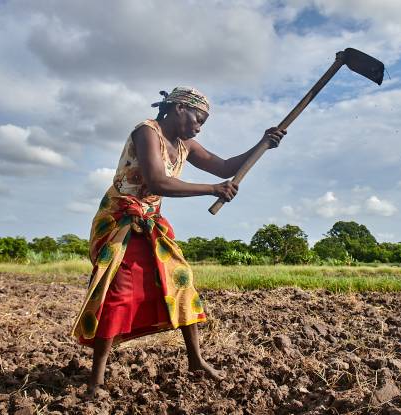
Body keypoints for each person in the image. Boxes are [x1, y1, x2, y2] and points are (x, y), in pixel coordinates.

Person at [70, 86, 286, 397]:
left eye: (204, 122)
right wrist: (213, 190)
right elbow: (158, 181)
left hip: (151, 220)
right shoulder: (147, 132)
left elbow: (225, 166)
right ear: (179, 108)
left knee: (181, 279)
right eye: (198, 118)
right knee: (118, 289)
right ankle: (96, 379)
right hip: (120, 219)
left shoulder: (185, 145)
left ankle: (196, 361)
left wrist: (263, 143)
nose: (199, 126)